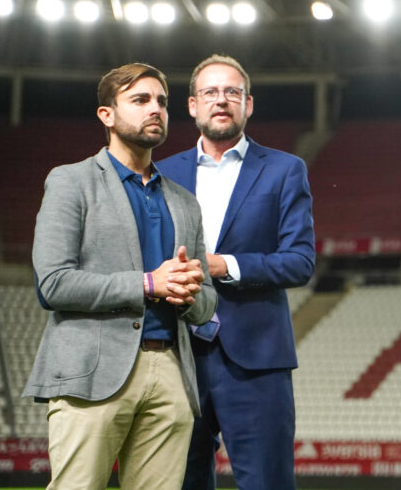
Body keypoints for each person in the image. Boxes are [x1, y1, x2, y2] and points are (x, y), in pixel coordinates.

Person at [23, 63, 218, 490]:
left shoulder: (185, 203)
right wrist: (149, 284)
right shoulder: (70, 182)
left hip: (170, 371)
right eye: (140, 100)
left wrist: (187, 295)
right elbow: (53, 283)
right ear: (106, 115)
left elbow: (207, 301)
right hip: (92, 374)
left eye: (162, 102)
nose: (156, 110)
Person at [158, 54, 315, 490]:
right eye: (210, 92)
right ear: (192, 106)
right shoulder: (162, 174)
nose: (221, 100)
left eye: (233, 92)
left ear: (249, 104)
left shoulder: (285, 169)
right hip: (176, 356)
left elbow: (300, 261)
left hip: (255, 361)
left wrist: (223, 265)